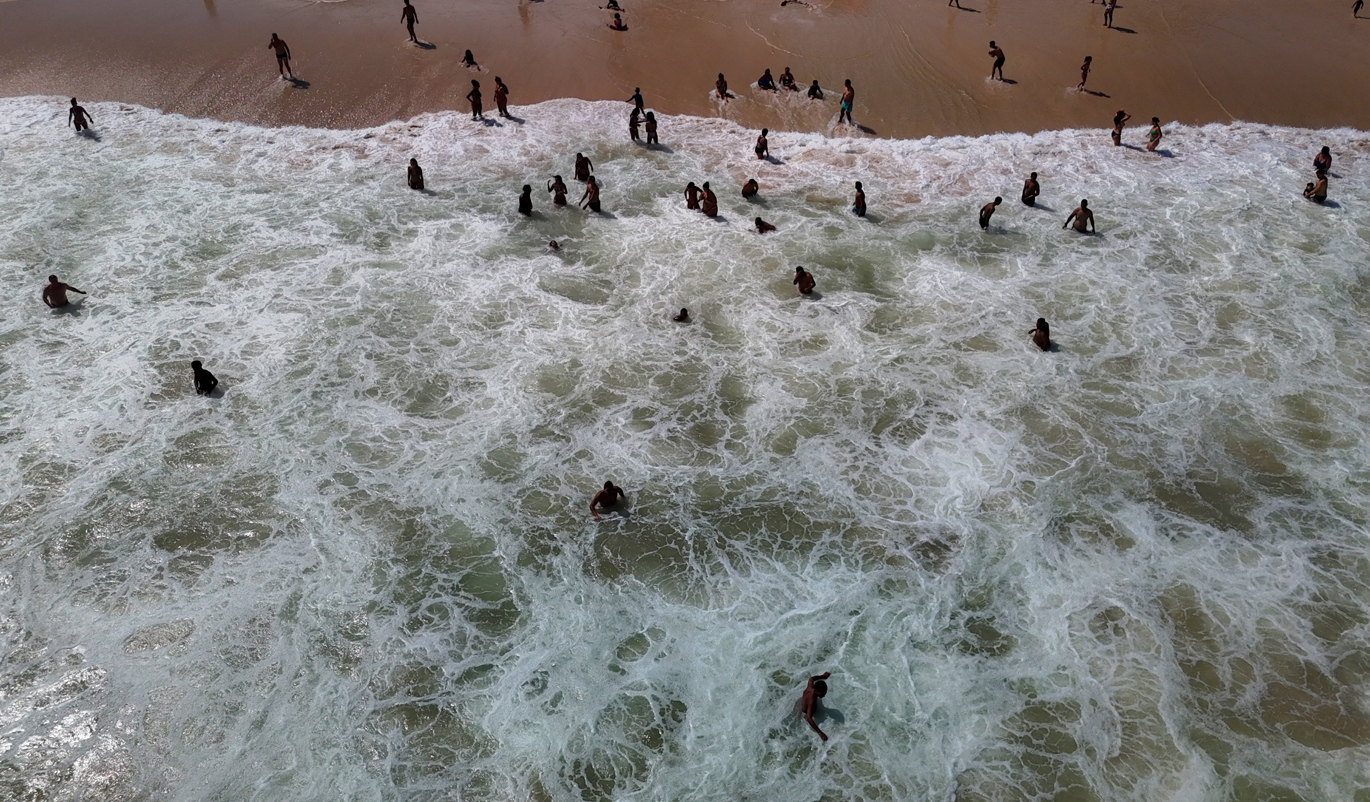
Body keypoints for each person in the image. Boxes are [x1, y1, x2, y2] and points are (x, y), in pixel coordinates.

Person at [800, 672, 831, 742]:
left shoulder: (810, 687)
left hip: (804, 707)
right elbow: (809, 718)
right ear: (816, 690)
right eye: (822, 693)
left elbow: (811, 678)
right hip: (805, 714)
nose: (824, 695)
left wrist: (823, 676)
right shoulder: (812, 701)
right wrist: (820, 732)